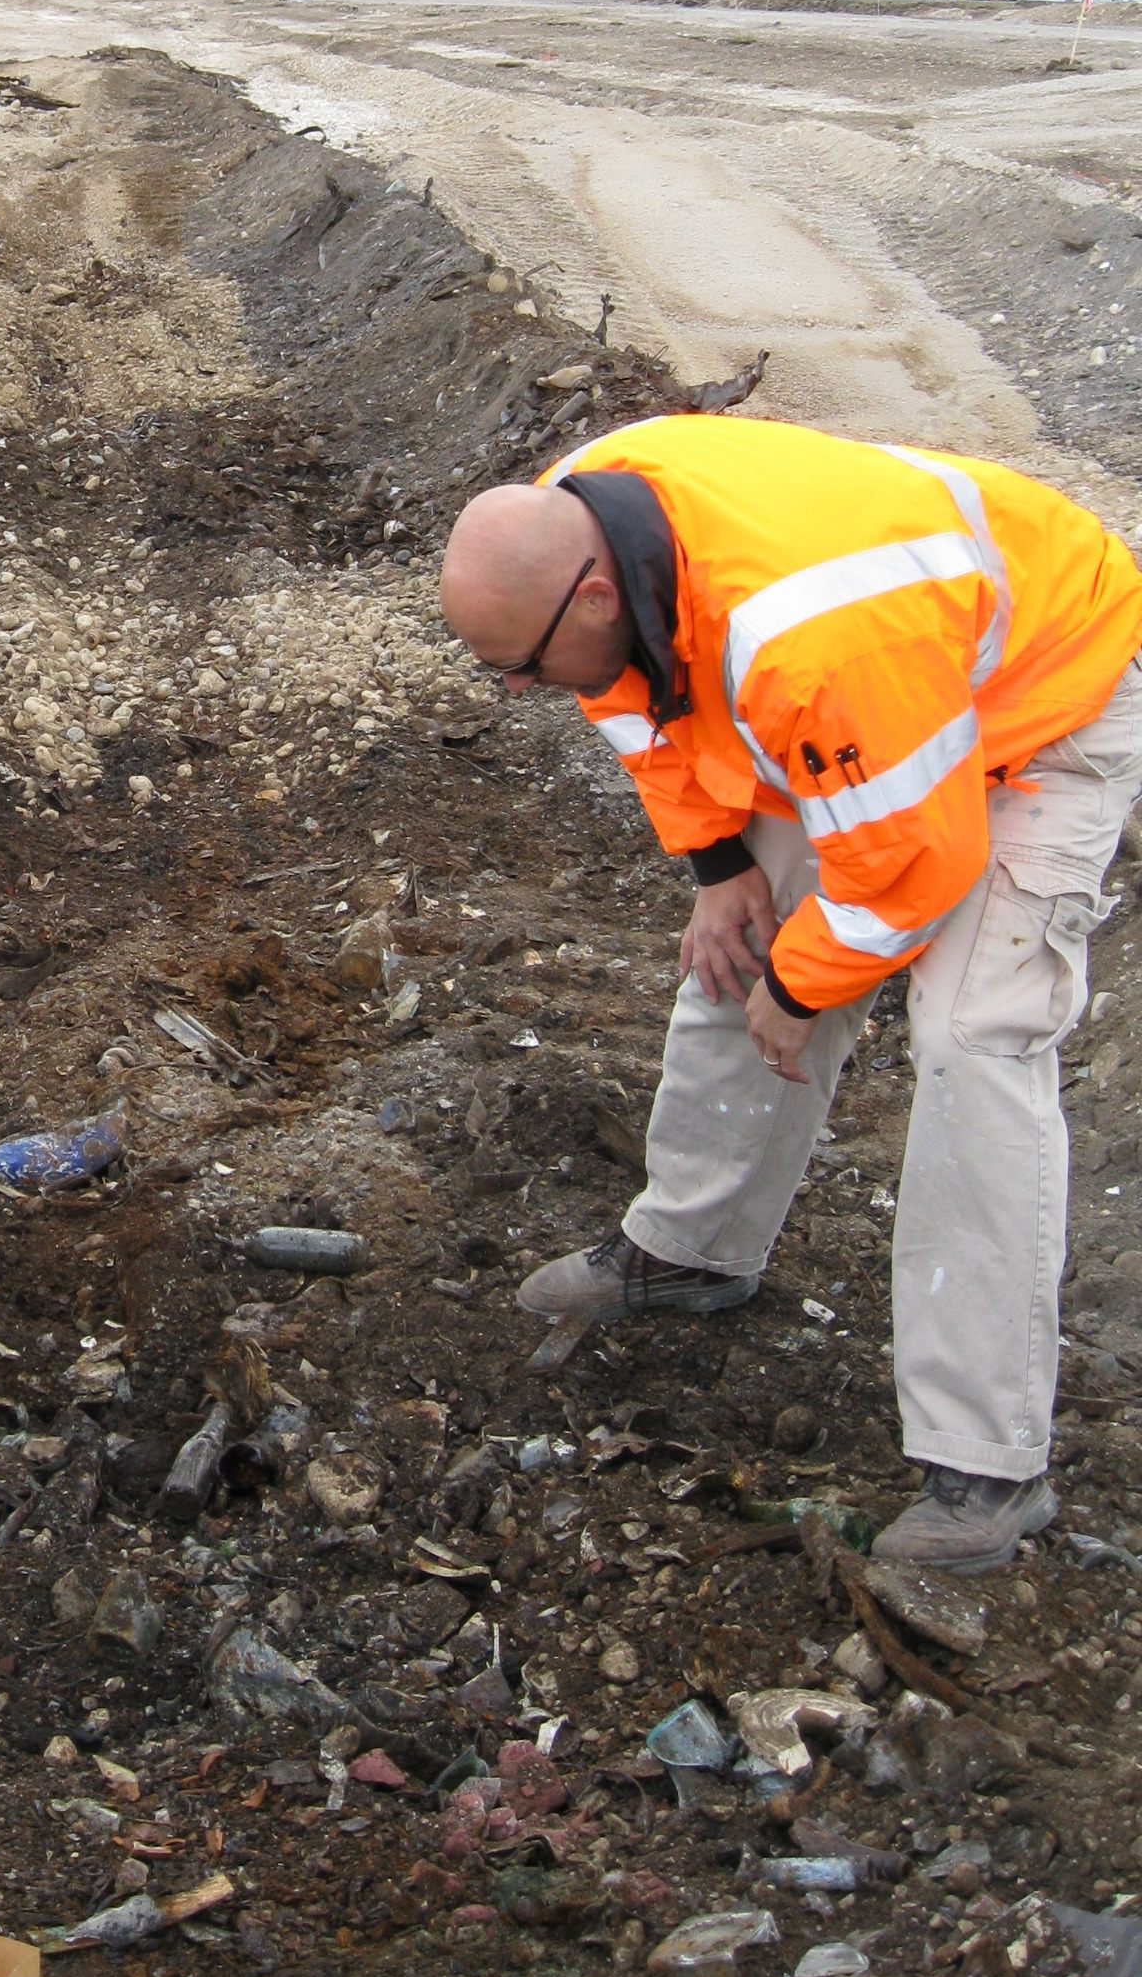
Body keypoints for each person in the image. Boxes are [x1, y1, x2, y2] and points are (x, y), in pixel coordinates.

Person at [439, 414, 1142, 1574]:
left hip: (1042, 699)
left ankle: (988, 1463)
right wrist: (718, 869)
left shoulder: (804, 631)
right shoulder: (575, 513)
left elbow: (919, 857)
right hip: (888, 704)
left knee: (974, 1036)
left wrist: (804, 985)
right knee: (741, 936)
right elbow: (630, 699)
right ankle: (694, 1247)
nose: (514, 690)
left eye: (520, 666)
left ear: (596, 598)